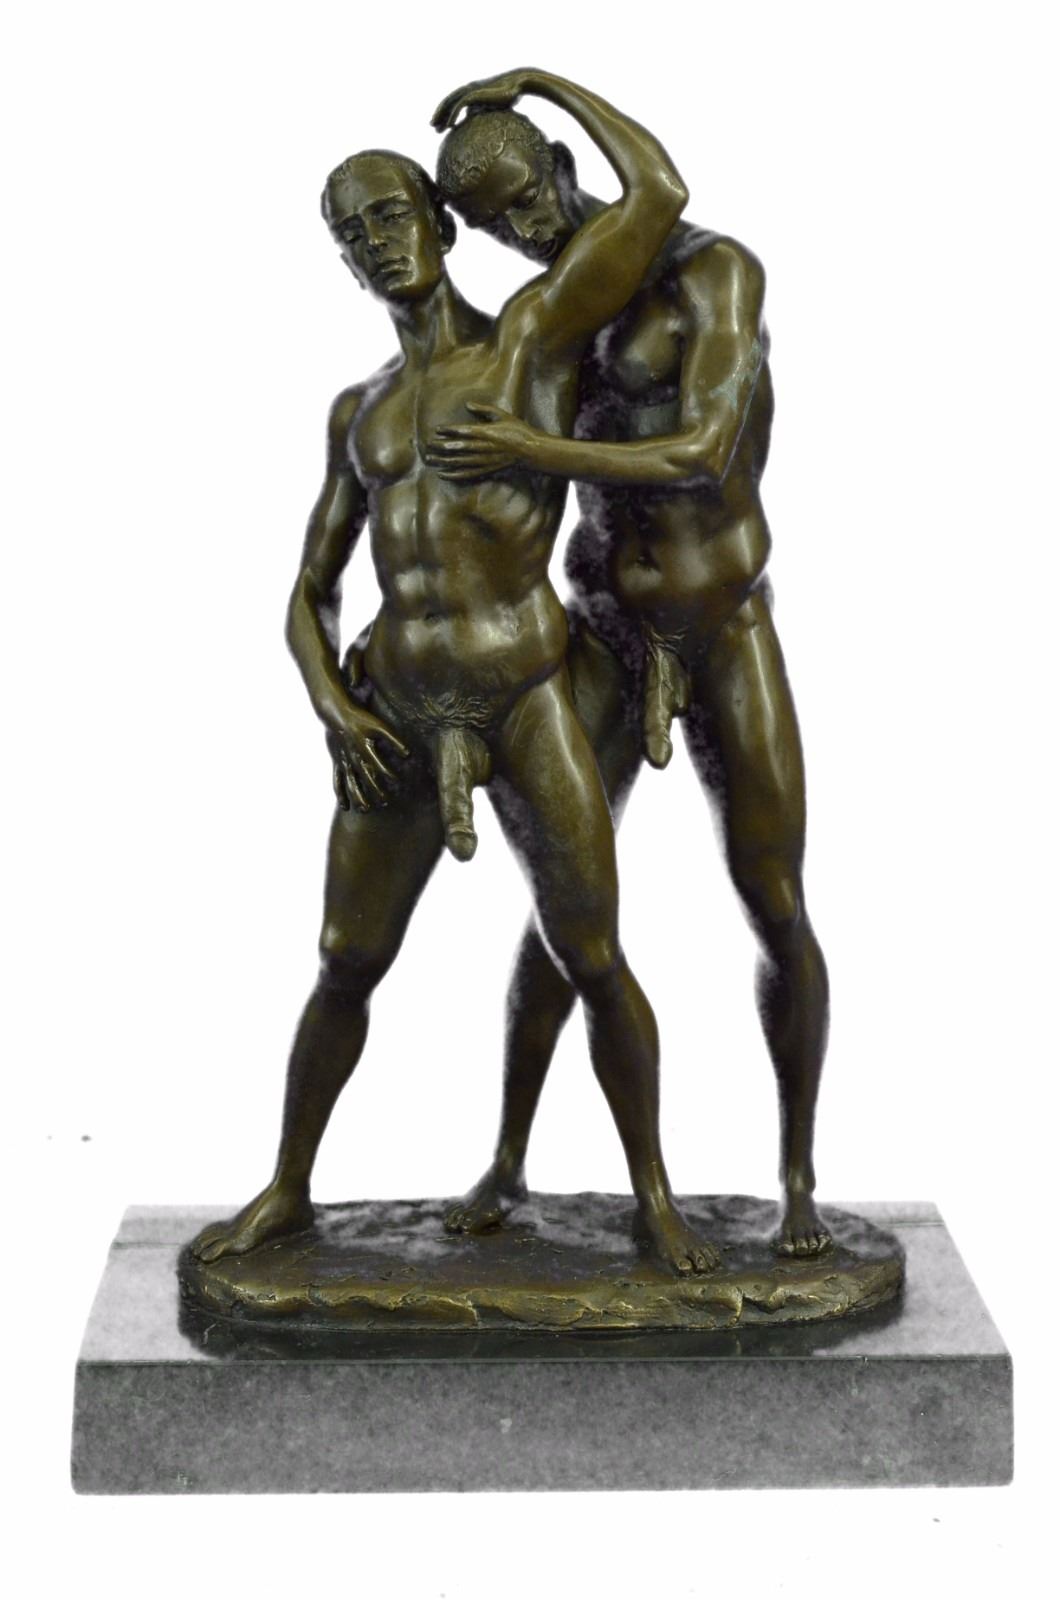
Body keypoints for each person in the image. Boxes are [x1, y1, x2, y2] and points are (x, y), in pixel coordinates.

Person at [192, 69, 718, 1277]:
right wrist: (332, 708)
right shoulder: (360, 412)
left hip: (522, 694)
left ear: (437, 221)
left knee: (593, 954)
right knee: (345, 960)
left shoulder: (531, 338)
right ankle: (287, 1187)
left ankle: (654, 1196)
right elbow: (308, 590)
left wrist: (540, 83)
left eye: (390, 214)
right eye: (350, 232)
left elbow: (659, 194)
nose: (375, 243)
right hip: (395, 709)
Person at [430, 91, 831, 1257]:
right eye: (494, 225)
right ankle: (509, 1156)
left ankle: (797, 1174)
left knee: (773, 896)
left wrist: (538, 73)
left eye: (526, 200)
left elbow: (702, 453)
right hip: (606, 625)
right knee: (569, 901)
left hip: (720, 623)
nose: (522, 231)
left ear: (564, 163)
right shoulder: (553, 308)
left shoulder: (714, 270)